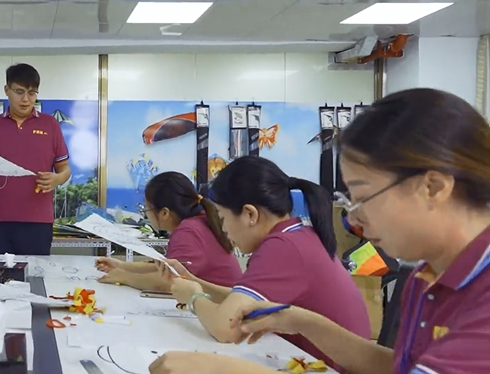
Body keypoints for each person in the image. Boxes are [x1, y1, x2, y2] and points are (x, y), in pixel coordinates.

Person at [150, 88, 490, 374]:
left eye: (362, 196)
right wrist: (304, 322)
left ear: (432, 187)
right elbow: (397, 367)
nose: (355, 222)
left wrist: (228, 368)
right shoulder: (427, 277)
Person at [158, 156, 370, 369]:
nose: (223, 229)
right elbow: (245, 305)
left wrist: (194, 297)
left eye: (223, 218)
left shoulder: (284, 246)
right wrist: (193, 281)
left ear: (250, 214)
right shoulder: (296, 235)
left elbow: (226, 327)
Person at [0, 63, 70, 255]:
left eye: (32, 93)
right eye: (19, 91)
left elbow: (65, 169)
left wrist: (57, 179)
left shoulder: (50, 125)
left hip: (38, 221)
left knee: (35, 277)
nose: (25, 99)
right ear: (7, 90)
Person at [94, 172, 242, 290]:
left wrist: (125, 277)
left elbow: (167, 282)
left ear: (164, 213)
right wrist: (121, 266)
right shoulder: (197, 222)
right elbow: (166, 268)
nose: (146, 214)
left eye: (147, 209)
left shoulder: (188, 232)